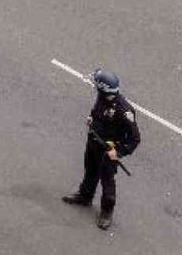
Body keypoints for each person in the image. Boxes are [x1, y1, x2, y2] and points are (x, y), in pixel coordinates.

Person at [61, 69, 142, 230]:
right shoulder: (102, 97)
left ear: (103, 88)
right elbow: (97, 110)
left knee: (107, 182)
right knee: (90, 171)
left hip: (108, 151)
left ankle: (107, 211)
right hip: (93, 142)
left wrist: (118, 152)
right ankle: (85, 196)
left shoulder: (124, 111)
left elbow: (135, 139)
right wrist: (92, 118)